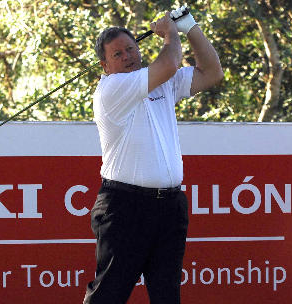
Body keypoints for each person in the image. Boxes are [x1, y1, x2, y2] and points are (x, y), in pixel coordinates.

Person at [84, 6, 223, 304]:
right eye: (117, 54)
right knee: (108, 294)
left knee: (167, 295)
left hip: (169, 206)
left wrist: (190, 27)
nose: (127, 56)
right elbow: (171, 62)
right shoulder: (111, 88)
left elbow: (212, 72)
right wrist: (170, 33)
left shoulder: (160, 82)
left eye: (131, 48)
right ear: (104, 66)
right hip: (125, 206)